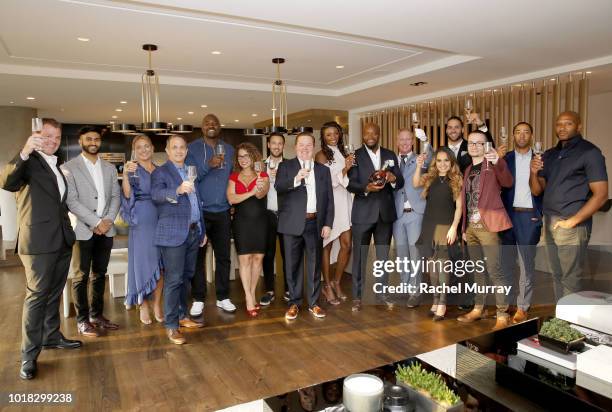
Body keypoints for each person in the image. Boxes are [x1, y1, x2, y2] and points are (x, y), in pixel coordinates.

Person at [0, 118, 81, 380]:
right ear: (35, 136)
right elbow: (7, 181)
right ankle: (28, 356)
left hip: (62, 240)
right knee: (36, 298)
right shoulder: (28, 161)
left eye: (57, 138)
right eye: (47, 137)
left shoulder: (56, 165)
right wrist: (24, 151)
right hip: (38, 243)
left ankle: (51, 336)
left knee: (54, 293)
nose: (53, 142)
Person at [530, 111, 608, 299]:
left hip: (571, 224)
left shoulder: (590, 152)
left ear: (578, 126)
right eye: (559, 124)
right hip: (549, 223)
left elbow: (601, 195)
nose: (562, 128)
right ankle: (562, 318)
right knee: (556, 275)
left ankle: (572, 324)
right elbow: (538, 190)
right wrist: (533, 172)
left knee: (571, 278)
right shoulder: (550, 154)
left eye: (568, 123)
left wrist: (572, 221)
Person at [62, 126, 121, 337]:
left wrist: (106, 221)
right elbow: (71, 201)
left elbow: (116, 197)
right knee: (80, 276)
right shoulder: (68, 167)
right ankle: (82, 320)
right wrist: (95, 222)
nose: (93, 142)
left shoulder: (110, 168)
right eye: (89, 139)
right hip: (83, 230)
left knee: (100, 274)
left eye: (96, 139)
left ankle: (97, 315)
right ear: (81, 141)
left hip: (106, 230)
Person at [151, 135, 207, 345]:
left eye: (182, 147)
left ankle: (182, 316)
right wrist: (176, 190)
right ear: (167, 150)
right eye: (174, 147)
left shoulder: (190, 171)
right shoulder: (161, 172)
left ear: (186, 150)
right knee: (174, 280)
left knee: (186, 276)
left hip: (193, 232)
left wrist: (201, 229)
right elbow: (155, 194)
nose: (178, 151)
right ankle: (172, 325)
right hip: (172, 233)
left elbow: (196, 202)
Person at [457, 130, 514, 330]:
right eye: (471, 143)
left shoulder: (493, 164)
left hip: (488, 226)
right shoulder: (467, 170)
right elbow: (465, 200)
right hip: (471, 228)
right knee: (477, 271)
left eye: (479, 143)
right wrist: (464, 227)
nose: (474, 146)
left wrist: (498, 160)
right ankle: (478, 308)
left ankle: (502, 313)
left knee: (494, 270)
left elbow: (508, 182)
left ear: (485, 145)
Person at [275, 132, 334, 320]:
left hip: (315, 223)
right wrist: (296, 178)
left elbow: (329, 200)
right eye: (301, 145)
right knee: (292, 266)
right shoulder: (286, 166)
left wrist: (328, 223)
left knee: (315, 265)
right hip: (291, 224)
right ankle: (294, 303)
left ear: (314, 147)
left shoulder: (323, 170)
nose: (305, 148)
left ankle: (314, 303)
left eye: (309, 145)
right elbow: (279, 186)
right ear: (295, 147)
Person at [347, 122, 404, 311]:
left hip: (384, 215)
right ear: (363, 135)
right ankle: (356, 296)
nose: (370, 136)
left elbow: (400, 181)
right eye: (366, 133)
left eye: (373, 133)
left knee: (383, 258)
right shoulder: (355, 156)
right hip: (363, 214)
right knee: (359, 258)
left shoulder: (390, 155)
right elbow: (350, 184)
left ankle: (383, 293)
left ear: (379, 135)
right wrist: (366, 188)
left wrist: (393, 179)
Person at [186, 113, 236, 316]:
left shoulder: (230, 149)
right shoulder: (192, 149)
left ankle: (223, 297)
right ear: (202, 127)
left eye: (215, 122)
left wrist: (233, 200)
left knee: (224, 257)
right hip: (201, 213)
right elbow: (191, 178)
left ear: (220, 126)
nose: (211, 125)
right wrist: (209, 165)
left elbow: (233, 176)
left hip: (223, 211)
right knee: (198, 257)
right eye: (207, 123)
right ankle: (198, 298)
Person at [500, 122, 543, 323]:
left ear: (531, 135)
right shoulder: (506, 158)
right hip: (508, 216)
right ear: (513, 135)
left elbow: (542, 189)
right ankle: (507, 302)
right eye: (518, 132)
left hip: (529, 216)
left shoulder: (540, 159)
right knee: (507, 263)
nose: (522, 135)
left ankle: (523, 306)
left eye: (526, 131)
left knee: (526, 265)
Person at [413, 148, 463, 321]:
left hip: (445, 226)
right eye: (439, 160)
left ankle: (442, 303)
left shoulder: (455, 180)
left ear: (452, 162)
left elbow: (459, 207)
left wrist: (454, 227)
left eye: (446, 161)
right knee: (432, 267)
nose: (443, 164)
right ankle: (435, 300)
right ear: (435, 162)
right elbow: (415, 183)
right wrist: (419, 166)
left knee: (443, 267)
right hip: (429, 225)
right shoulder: (430, 178)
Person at [121, 134, 163, 325]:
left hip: (161, 219)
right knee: (142, 263)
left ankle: (157, 304)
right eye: (139, 147)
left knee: (161, 265)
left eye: (147, 146)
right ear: (134, 151)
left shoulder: (161, 170)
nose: (144, 150)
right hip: (142, 219)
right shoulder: (132, 169)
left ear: (153, 148)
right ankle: (143, 304)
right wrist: (126, 176)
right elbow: (127, 194)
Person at [227, 143, 270, 317]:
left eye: (246, 156)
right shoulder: (234, 176)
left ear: (253, 157)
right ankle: (248, 297)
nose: (243, 159)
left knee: (257, 259)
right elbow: (231, 199)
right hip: (241, 222)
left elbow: (261, 194)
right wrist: (251, 191)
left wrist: (257, 187)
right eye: (240, 156)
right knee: (244, 260)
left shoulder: (263, 174)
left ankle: (252, 293)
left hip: (260, 221)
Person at [315, 121, 354, 305]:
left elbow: (350, 178)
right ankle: (326, 285)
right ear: (323, 137)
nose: (333, 137)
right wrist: (345, 168)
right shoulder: (321, 155)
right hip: (330, 203)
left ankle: (337, 282)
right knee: (327, 245)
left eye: (335, 134)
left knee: (347, 244)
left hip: (345, 201)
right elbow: (324, 183)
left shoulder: (345, 153)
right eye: (328, 134)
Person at [392, 128, 431, 308]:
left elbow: (430, 156)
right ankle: (405, 287)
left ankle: (416, 292)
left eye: (408, 139)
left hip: (415, 213)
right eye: (402, 139)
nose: (405, 142)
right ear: (397, 141)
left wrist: (426, 141)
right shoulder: (391, 161)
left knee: (415, 254)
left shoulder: (420, 159)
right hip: (397, 214)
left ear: (413, 142)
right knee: (402, 255)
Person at [260, 132, 288, 306]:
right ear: (268, 145)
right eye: (274, 143)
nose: (277, 146)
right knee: (268, 255)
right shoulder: (260, 165)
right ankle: (269, 290)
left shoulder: (291, 166)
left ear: (283, 146)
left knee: (288, 255)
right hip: (266, 215)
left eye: (280, 143)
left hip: (286, 214)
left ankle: (289, 289)